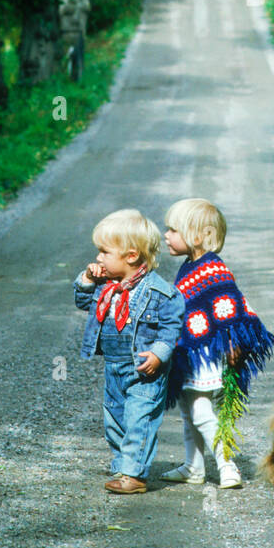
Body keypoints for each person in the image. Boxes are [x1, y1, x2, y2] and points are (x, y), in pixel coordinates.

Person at [161, 198, 274, 489]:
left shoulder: (213, 268)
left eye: (173, 230)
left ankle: (227, 465)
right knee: (189, 414)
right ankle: (193, 467)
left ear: (197, 235)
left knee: (202, 413)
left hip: (208, 355)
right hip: (190, 352)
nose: (167, 235)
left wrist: (233, 344)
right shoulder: (188, 267)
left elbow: (228, 308)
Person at [75, 208, 185, 494]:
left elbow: (172, 327)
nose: (98, 258)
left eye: (104, 252)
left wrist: (160, 353)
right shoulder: (107, 287)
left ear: (131, 256)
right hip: (114, 364)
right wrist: (88, 278)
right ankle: (122, 463)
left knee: (139, 417)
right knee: (115, 417)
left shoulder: (160, 292)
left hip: (144, 368)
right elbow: (82, 301)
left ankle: (134, 475)